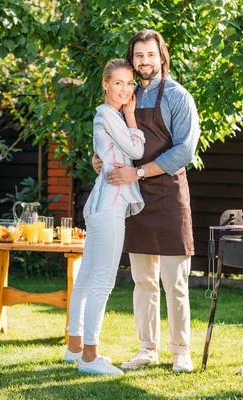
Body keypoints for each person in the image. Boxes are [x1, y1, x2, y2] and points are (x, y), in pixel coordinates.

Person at [97, 29, 200, 373]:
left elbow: (185, 150)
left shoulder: (176, 96)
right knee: (143, 280)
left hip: (169, 195)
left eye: (150, 55)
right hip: (134, 198)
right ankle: (147, 349)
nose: (144, 61)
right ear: (132, 59)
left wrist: (138, 173)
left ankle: (181, 351)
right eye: (138, 55)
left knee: (175, 281)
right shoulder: (125, 96)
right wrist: (101, 161)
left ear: (161, 57)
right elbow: (113, 140)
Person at [65, 58, 145, 376]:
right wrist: (131, 115)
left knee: (86, 279)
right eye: (118, 83)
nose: (125, 89)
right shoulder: (110, 115)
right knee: (102, 281)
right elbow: (137, 149)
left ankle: (74, 348)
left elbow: (110, 155)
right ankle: (90, 356)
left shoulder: (106, 117)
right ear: (106, 84)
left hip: (100, 204)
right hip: (109, 205)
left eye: (130, 84)